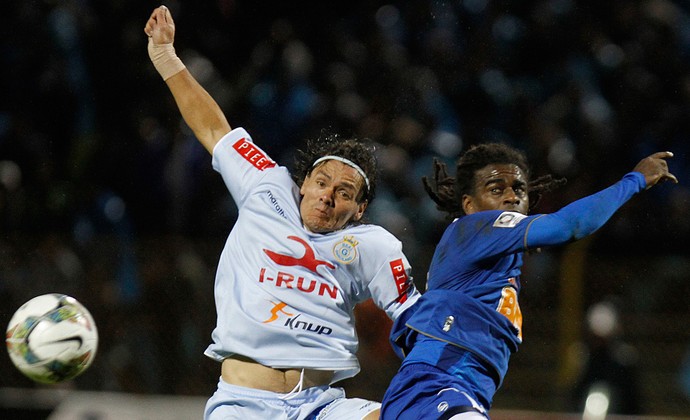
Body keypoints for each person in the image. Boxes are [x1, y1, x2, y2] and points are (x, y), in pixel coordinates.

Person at [144, 6, 420, 420]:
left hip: (324, 406)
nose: (327, 196)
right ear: (303, 181)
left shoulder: (373, 245)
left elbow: (415, 320)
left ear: (360, 209)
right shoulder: (266, 187)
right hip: (243, 405)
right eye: (322, 182)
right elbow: (215, 129)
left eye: (344, 192)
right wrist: (166, 58)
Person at [380, 143, 677, 419]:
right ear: (469, 204)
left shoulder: (484, 251)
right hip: (435, 386)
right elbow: (570, 225)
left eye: (519, 189)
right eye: (496, 189)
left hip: (454, 390)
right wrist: (634, 180)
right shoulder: (475, 227)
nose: (512, 197)